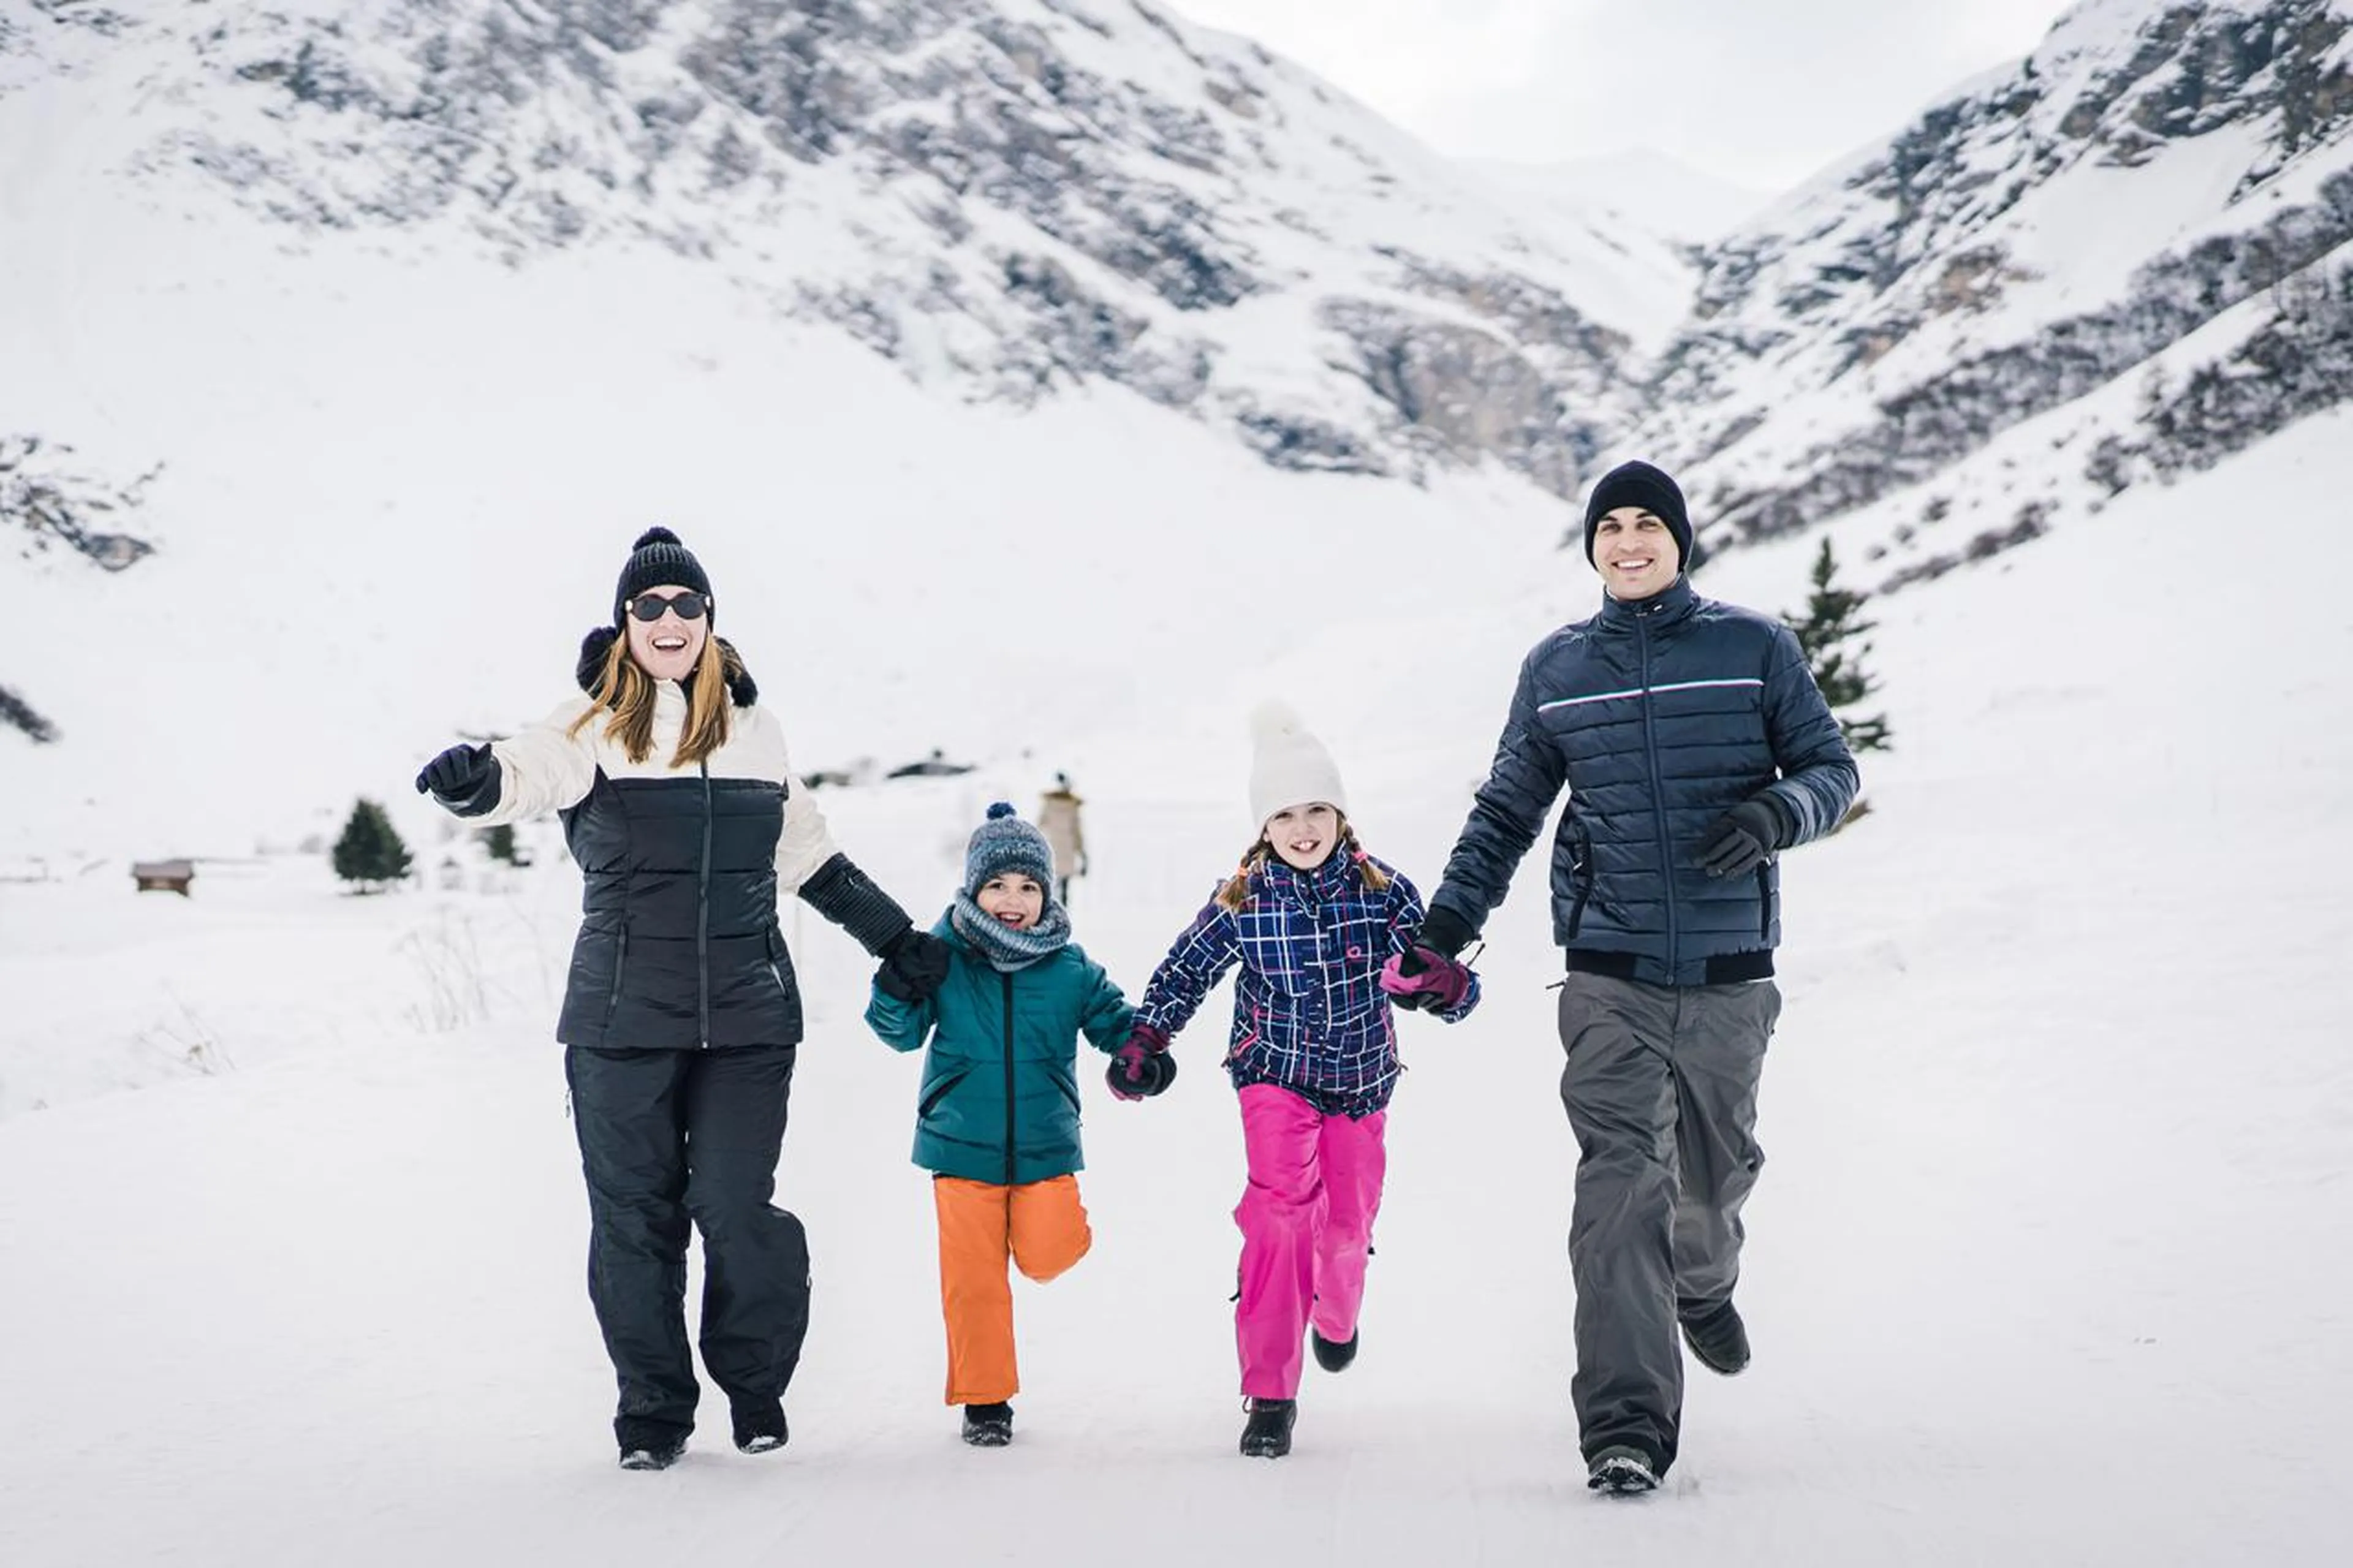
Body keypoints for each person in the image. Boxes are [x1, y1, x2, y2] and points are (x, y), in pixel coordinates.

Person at [414, 526, 952, 1472]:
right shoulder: (586, 727)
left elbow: (807, 851)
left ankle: (754, 1386)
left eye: (686, 605)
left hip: (748, 1017)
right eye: (650, 606)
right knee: (636, 1219)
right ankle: (654, 1411)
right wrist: (477, 784)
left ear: (710, 620)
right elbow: (524, 775)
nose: (670, 620)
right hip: (621, 1023)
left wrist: (896, 936)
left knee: (739, 1208)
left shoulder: (756, 729)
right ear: (624, 624)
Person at [1404, 461, 1860, 1495]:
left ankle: (1705, 1284)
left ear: (1680, 538)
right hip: (1607, 970)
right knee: (1618, 1188)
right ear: (1592, 548)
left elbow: (1833, 768)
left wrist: (1776, 813)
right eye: (1608, 526)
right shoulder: (1558, 667)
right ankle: (1626, 1425)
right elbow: (1506, 811)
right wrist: (1445, 926)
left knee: (1712, 1182)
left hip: (1731, 973)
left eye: (1646, 522)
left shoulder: (1753, 647)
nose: (1627, 540)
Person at [1112, 703, 1480, 1459]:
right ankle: (1270, 1394)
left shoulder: (1383, 891)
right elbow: (1185, 972)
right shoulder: (1242, 898)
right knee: (1279, 1217)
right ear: (1262, 827)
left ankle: (1337, 1314)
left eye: (1318, 809)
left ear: (1342, 817)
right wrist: (1148, 1036)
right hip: (1271, 1072)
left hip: (1362, 1079)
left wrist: (1441, 986)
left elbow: (1450, 982)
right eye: (1285, 814)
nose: (1303, 826)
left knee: (1346, 1230)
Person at [864, 803, 1134, 1447]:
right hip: (958, 1143)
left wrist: (1140, 1055)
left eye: (1028, 887)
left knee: (1050, 1252)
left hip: (1046, 1143)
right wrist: (897, 986)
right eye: (998, 885)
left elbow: (1115, 1022)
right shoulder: (942, 957)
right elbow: (895, 1034)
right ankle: (986, 1401)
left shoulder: (1070, 968)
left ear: (1046, 893)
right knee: (973, 1283)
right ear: (973, 889)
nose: (1013, 900)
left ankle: (1042, 1246)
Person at [1036, 773, 1087, 906]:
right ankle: (1063, 908)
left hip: (1051, 844)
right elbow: (1077, 831)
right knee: (1064, 882)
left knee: (1051, 879)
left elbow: (1040, 825)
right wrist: (1081, 851)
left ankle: (1049, 906)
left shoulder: (1049, 804)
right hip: (1067, 847)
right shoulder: (1072, 806)